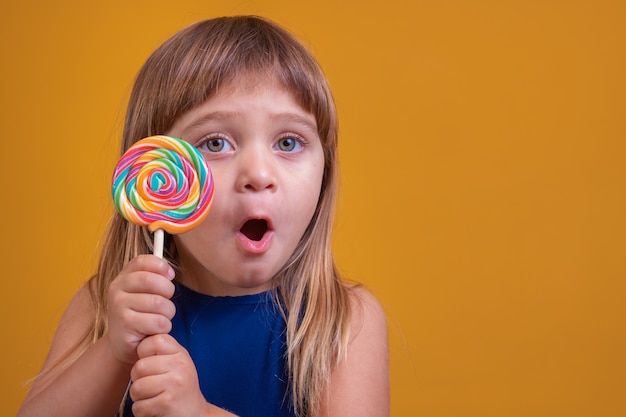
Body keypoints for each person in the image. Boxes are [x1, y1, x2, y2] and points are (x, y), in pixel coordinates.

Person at [17, 16, 389, 417]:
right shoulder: (109, 305)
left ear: (325, 169)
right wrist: (112, 351)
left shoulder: (345, 321)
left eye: (287, 141)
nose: (259, 175)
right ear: (157, 166)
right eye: (216, 142)